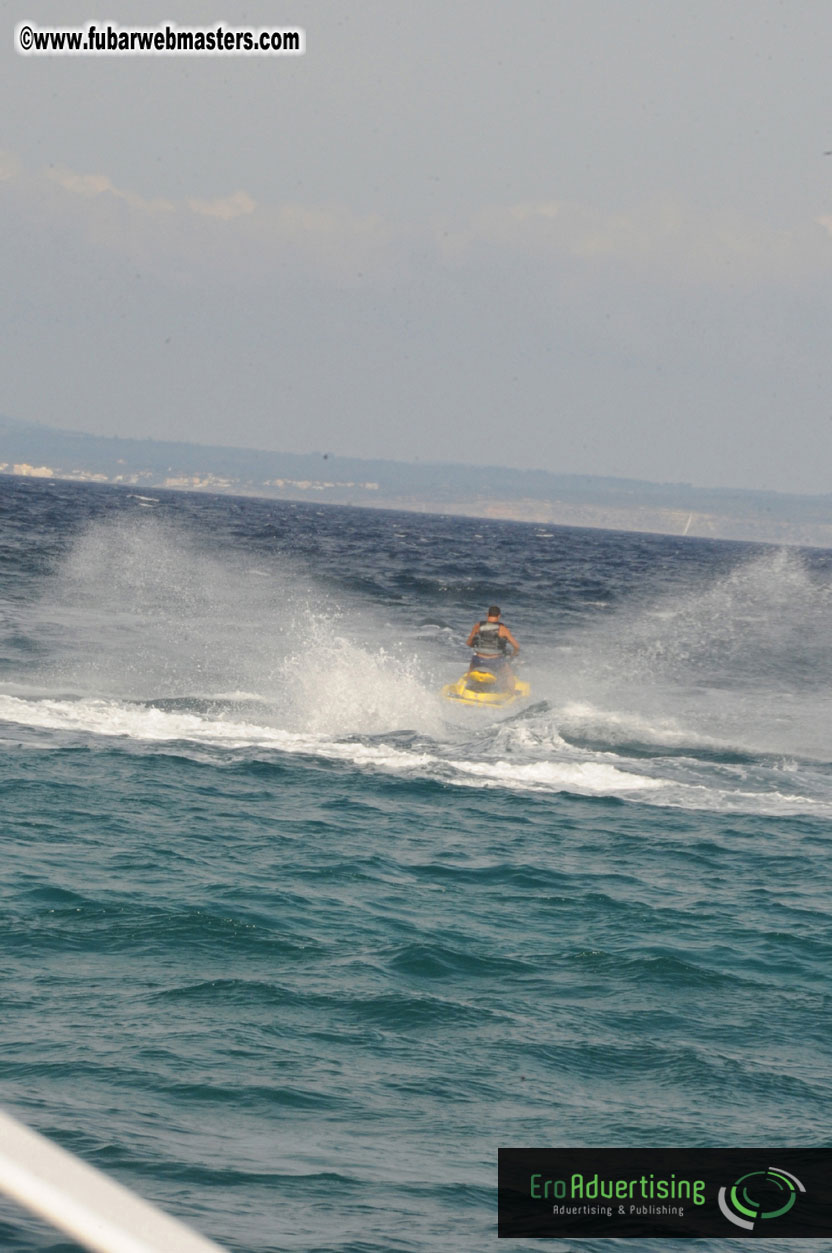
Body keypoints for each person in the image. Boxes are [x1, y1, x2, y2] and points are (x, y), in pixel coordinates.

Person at [466, 605, 519, 690]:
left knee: (471, 666)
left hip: (478, 660)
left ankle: (466, 686)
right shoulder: (503, 628)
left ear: (487, 614)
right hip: (495, 661)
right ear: (499, 616)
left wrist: (476, 645)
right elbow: (516, 646)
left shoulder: (478, 626)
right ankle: (511, 693)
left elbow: (468, 643)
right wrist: (514, 654)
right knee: (508, 674)